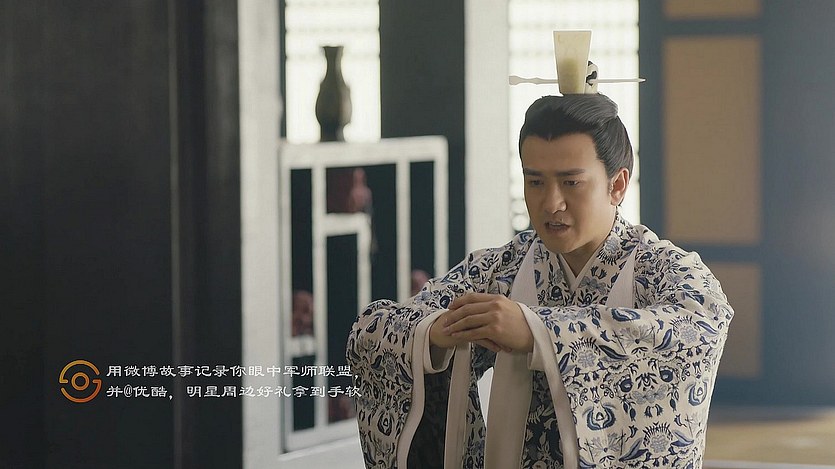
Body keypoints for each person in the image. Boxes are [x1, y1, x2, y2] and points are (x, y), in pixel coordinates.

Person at [347, 93, 733, 469]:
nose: (551, 203)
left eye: (571, 183)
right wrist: (437, 333)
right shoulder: (505, 267)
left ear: (617, 185)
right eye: (535, 182)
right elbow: (374, 331)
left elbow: (700, 325)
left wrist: (538, 332)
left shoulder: (661, 268)